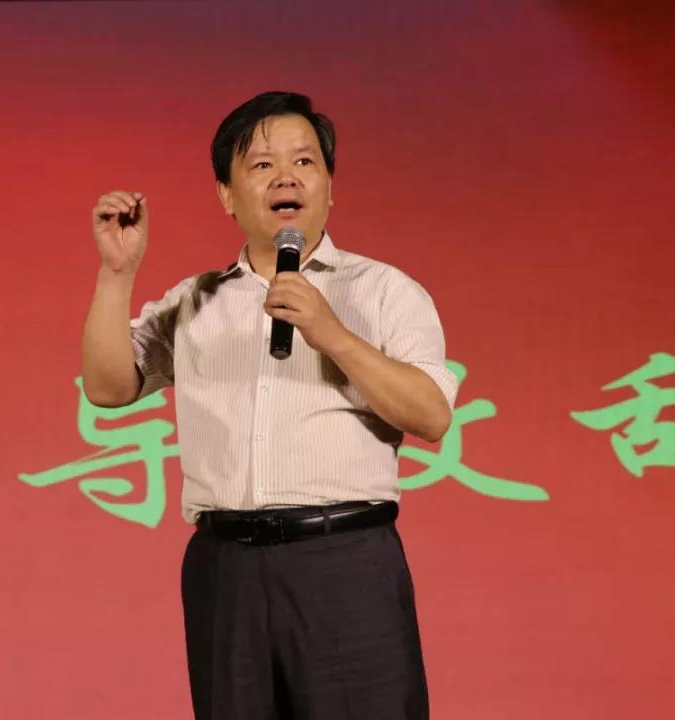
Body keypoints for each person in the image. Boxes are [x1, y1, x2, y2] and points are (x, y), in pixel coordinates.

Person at [81, 91, 457, 720]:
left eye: (304, 161)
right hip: (226, 570)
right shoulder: (195, 300)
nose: (286, 176)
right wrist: (117, 275)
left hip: (344, 562)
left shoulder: (385, 290)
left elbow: (432, 415)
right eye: (261, 165)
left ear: (330, 187)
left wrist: (333, 334)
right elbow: (108, 387)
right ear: (227, 195)